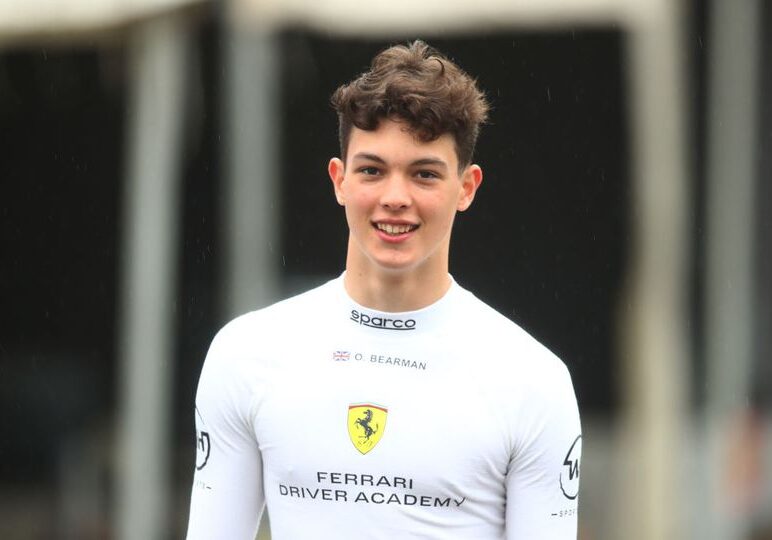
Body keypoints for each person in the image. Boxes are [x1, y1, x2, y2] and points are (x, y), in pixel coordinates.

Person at [186, 40, 582, 539]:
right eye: (372, 170)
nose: (395, 198)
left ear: (467, 187)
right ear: (339, 180)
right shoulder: (246, 355)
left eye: (424, 174)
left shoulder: (532, 382)